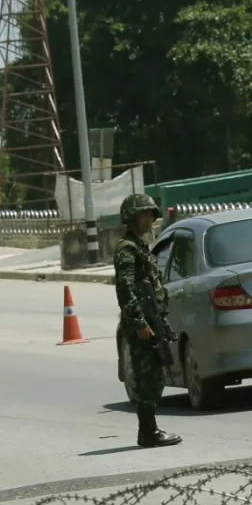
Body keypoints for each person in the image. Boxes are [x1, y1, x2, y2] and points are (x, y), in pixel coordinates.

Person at [114, 192, 181, 449]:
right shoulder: (127, 249)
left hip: (151, 319)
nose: (149, 220)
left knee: (156, 374)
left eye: (151, 215)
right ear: (132, 217)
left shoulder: (140, 247)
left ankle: (150, 430)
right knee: (148, 377)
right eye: (144, 215)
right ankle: (148, 432)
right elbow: (126, 289)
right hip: (142, 323)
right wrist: (139, 322)